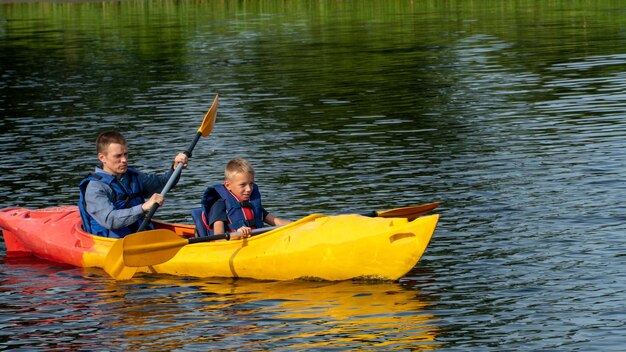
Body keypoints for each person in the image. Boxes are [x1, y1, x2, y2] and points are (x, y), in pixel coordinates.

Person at [78, 130, 188, 238]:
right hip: (114, 245)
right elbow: (110, 220)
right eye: (118, 156)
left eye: (126, 154)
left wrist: (175, 168)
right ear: (102, 158)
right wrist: (143, 207)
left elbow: (162, 184)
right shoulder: (95, 188)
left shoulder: (132, 176)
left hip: (140, 238)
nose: (124, 160)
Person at [196, 158, 291, 237]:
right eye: (243, 185)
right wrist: (237, 235)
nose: (249, 189)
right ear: (228, 185)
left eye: (251, 184)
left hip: (255, 244)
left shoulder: (252, 204)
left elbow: (276, 221)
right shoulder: (219, 205)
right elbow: (218, 237)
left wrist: (300, 224)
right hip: (232, 246)